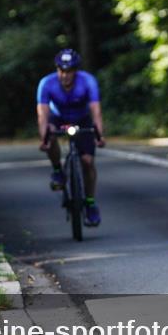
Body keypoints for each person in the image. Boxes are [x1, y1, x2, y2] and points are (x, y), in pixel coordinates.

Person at [36, 49, 105, 226]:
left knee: (88, 162)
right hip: (57, 119)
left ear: (76, 70)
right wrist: (43, 138)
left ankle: (90, 203)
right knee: (49, 134)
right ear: (57, 69)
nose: (65, 75)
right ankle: (58, 170)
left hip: (82, 120)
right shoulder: (46, 83)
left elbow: (96, 110)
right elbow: (43, 115)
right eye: (62, 70)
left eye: (70, 71)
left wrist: (99, 134)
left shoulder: (87, 81)